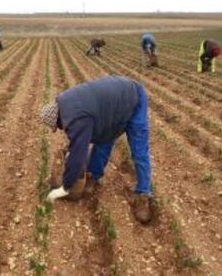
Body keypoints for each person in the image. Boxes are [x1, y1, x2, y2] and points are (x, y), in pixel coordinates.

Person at [41, 75, 153, 223]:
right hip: (111, 107)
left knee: (139, 151)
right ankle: (93, 175)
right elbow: (79, 140)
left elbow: (78, 154)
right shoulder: (64, 102)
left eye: (58, 126)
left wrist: (65, 187)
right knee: (103, 139)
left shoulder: (78, 119)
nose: (61, 128)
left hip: (133, 98)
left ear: (57, 118)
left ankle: (143, 194)